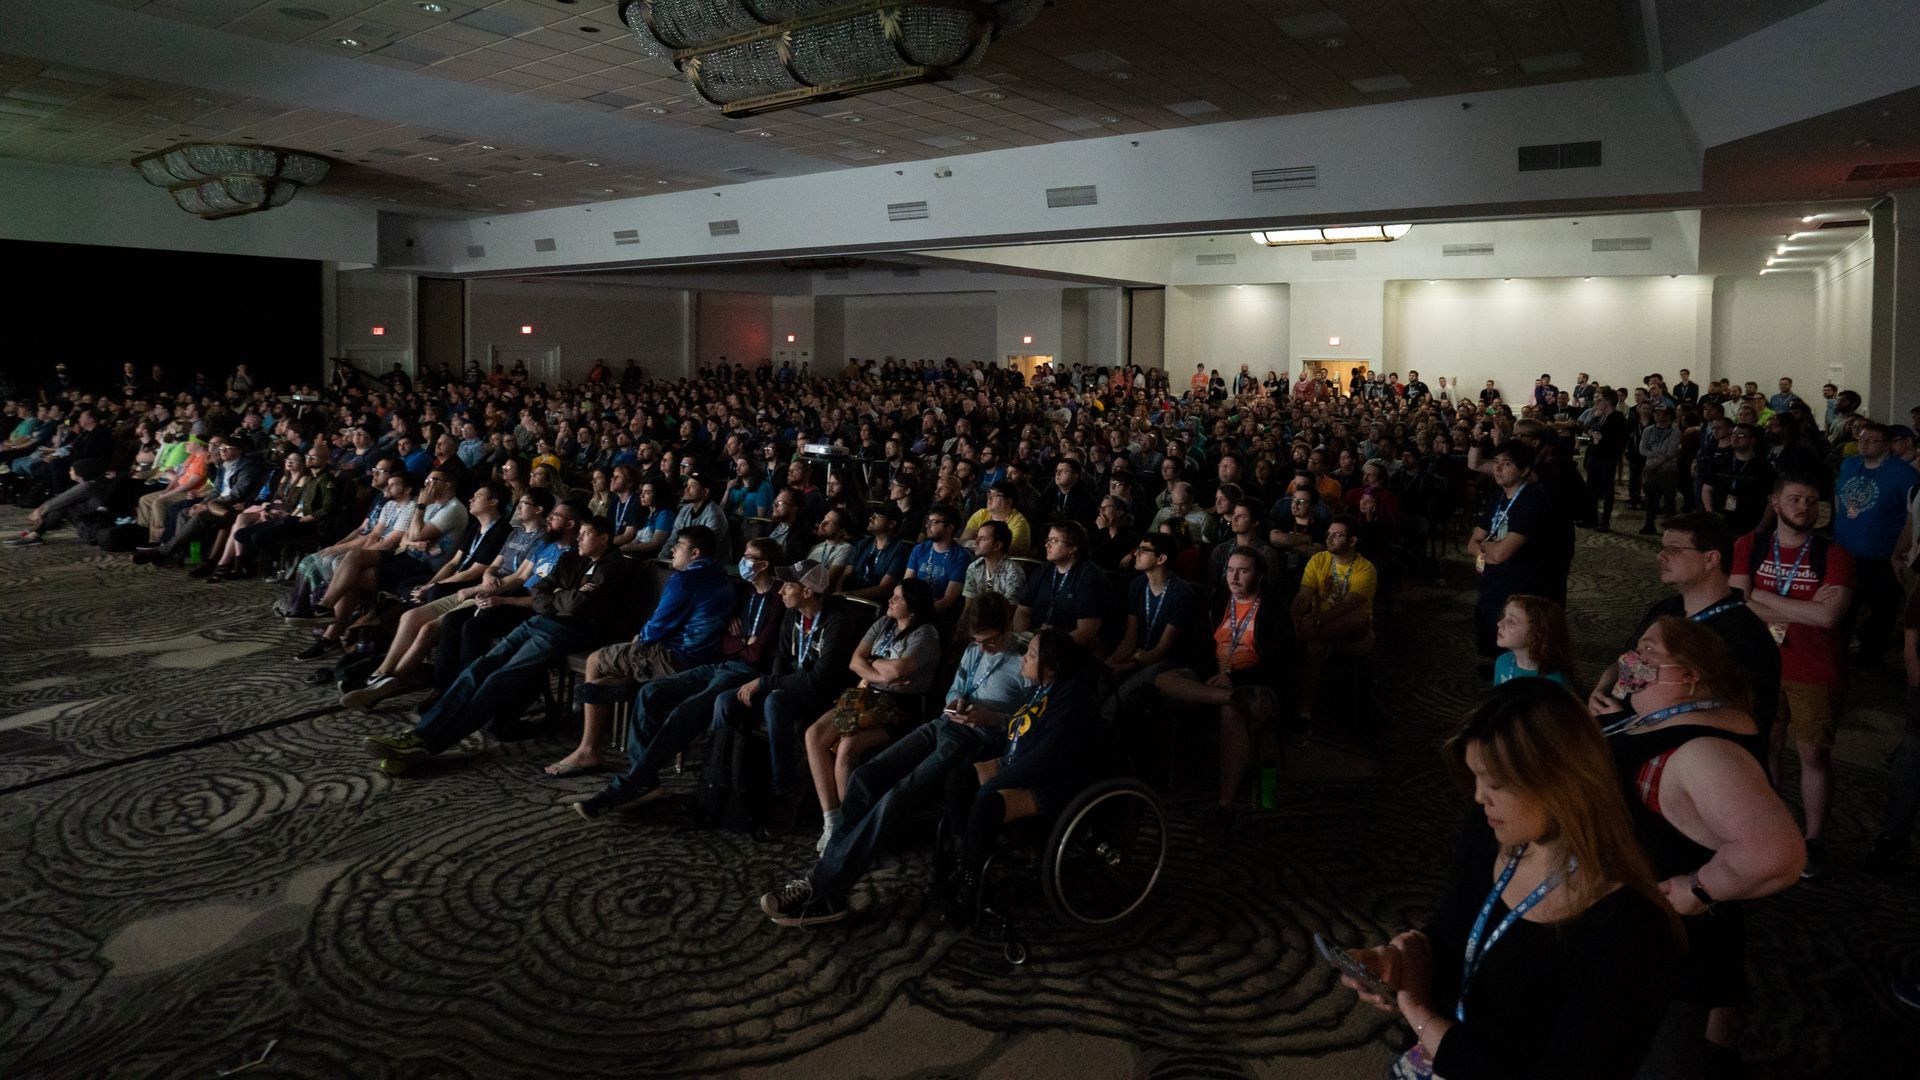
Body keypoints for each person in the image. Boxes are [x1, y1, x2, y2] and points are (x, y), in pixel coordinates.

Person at [1340, 679, 1682, 1079]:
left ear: (1562, 783)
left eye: (1496, 785)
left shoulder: (1632, 931)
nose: (1479, 797)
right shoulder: (1492, 837)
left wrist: (1418, 1012)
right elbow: (1458, 937)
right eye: (1475, 778)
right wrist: (1401, 960)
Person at [1590, 617, 1806, 1079]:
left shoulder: (1703, 752)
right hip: (1638, 927)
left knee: (1652, 1050)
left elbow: (1777, 852)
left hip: (1663, 941)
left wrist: (1699, 888)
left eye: (1648, 654)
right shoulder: (1683, 712)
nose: (1633, 662)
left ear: (1689, 675)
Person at [365, 514, 641, 775]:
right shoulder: (571, 558)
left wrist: (559, 597)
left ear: (604, 538)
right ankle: (418, 735)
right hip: (539, 622)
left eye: (586, 534)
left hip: (572, 632)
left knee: (500, 678)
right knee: (479, 668)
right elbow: (538, 594)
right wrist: (562, 597)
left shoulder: (617, 566)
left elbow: (581, 606)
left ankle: (429, 743)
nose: (579, 538)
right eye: (578, 533)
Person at [565, 538, 788, 816]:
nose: (742, 561)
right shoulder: (745, 592)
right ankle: (644, 780)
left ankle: (628, 785)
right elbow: (724, 641)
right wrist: (743, 642)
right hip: (721, 662)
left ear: (764, 564)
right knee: (651, 693)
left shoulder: (780, 599)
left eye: (749, 556)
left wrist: (743, 643)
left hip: (748, 673)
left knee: (687, 710)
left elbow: (759, 651)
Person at [1729, 473, 1854, 878]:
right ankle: (1769, 826)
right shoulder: (1751, 545)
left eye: (1813, 501)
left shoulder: (1834, 555)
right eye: (1796, 499)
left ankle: (1813, 838)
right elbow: (1735, 603)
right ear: (1776, 503)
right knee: (1764, 746)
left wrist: (1760, 597)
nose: (1805, 507)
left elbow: (1829, 616)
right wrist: (1801, 608)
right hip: (1760, 663)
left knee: (1813, 754)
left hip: (1815, 669)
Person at [1587, 511, 1782, 757]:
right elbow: (1628, 660)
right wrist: (1603, 689)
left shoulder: (1744, 636)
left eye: (1674, 549)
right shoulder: (1668, 609)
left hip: (1680, 753)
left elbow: (1739, 717)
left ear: (1711, 558)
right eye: (1662, 548)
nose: (1661, 556)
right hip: (1626, 727)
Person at [548, 525, 736, 776]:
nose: (673, 550)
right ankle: (605, 692)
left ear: (695, 553)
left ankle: (589, 749)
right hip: (704, 659)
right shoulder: (722, 578)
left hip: (675, 656)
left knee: (595, 659)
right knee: (610, 674)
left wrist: (640, 640)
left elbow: (659, 624)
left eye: (679, 546)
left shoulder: (684, 579)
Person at [708, 559, 861, 830]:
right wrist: (772, 682)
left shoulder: (839, 619)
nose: (780, 591)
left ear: (807, 592)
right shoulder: (793, 613)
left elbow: (819, 679)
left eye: (788, 586)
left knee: (775, 701)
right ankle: (721, 779)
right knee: (726, 700)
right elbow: (781, 655)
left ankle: (784, 787)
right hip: (790, 682)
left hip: (823, 693)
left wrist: (768, 684)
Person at [1154, 547, 1293, 833]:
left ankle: (1224, 805)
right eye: (1230, 570)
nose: (1235, 577)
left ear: (1260, 575)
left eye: (1243, 571)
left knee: (1233, 712)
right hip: (1215, 680)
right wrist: (1215, 676)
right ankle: (1227, 698)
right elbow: (1198, 646)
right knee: (1162, 680)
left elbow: (1280, 663)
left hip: (1256, 682)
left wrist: (1237, 678)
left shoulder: (1274, 608)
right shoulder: (1217, 600)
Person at [803, 579, 942, 853]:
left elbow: (900, 670)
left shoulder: (925, 635)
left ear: (912, 608)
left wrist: (875, 663)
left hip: (901, 706)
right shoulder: (883, 624)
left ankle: (851, 825)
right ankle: (831, 818)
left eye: (897, 598)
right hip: (866, 694)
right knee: (814, 734)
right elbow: (855, 661)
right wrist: (880, 670)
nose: (890, 600)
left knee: (848, 746)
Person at [1834, 422, 1919, 667]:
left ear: (1887, 445)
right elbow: (1840, 496)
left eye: (1872, 440)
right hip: (1846, 549)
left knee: (1881, 609)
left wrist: (1900, 551)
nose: (1864, 443)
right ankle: (1839, 650)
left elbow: (1912, 515)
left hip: (1881, 553)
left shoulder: (1904, 474)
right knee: (1845, 605)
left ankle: (1871, 655)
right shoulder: (1850, 464)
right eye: (1862, 439)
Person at [1468, 440, 1555, 658]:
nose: (1497, 469)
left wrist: (1486, 547)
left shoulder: (1531, 500)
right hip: (1492, 583)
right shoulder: (1498, 497)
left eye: (1506, 464)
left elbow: (1501, 553)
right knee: (1489, 642)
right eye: (1495, 462)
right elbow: (1472, 543)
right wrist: (1487, 550)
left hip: (1520, 587)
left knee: (1515, 650)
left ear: (1524, 470)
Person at [1289, 516, 1377, 733]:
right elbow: (1304, 595)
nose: (1329, 538)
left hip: (1354, 632)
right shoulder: (1319, 560)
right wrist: (1293, 617)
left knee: (1358, 616)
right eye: (1329, 533)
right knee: (1313, 648)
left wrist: (1315, 621)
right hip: (1318, 631)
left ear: (1352, 541)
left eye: (1337, 535)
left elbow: (1349, 605)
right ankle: (1305, 713)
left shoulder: (1365, 569)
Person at [1013, 520, 1109, 651]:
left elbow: (1085, 632)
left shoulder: (1090, 577)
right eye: (1048, 540)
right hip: (1034, 644)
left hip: (1067, 650)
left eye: (1054, 541)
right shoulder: (1043, 570)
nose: (1047, 545)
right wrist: (1022, 638)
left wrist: (1047, 648)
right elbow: (1022, 610)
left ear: (1073, 547)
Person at [1491, 594, 1576, 689]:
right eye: (1504, 616)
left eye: (1511, 621)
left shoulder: (1555, 682)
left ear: (1536, 633)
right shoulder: (1502, 662)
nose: (1499, 623)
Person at [902, 504, 970, 621]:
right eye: (928, 521)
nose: (927, 525)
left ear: (949, 528)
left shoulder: (961, 557)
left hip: (937, 615)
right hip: (911, 608)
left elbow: (948, 600)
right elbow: (906, 583)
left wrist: (917, 616)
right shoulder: (920, 549)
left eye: (934, 522)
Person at [961, 481, 1033, 556]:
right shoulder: (981, 514)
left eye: (994, 495)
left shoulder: (1019, 523)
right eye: (989, 494)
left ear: (1008, 501)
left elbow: (1003, 551)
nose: (989, 498)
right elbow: (963, 541)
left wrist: (975, 544)